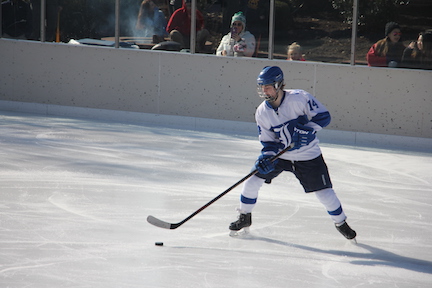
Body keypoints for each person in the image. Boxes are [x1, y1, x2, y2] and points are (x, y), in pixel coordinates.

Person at [229, 66, 357, 241]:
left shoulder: (299, 98)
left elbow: (324, 116)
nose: (264, 90)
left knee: (324, 193)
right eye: (262, 87)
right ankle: (245, 216)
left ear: (279, 84)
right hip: (281, 156)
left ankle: (341, 223)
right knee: (252, 180)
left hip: (308, 156)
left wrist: (307, 131)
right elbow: (268, 142)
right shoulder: (262, 112)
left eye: (268, 86)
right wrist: (266, 157)